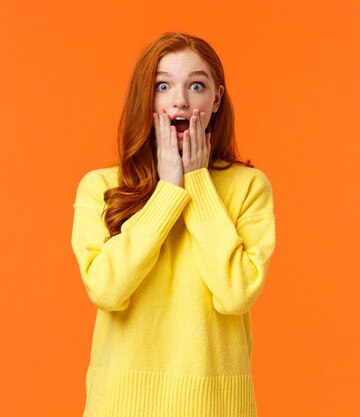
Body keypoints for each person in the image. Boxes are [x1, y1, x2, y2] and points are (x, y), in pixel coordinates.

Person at [71, 31, 276, 417]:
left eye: (196, 85)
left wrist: (198, 183)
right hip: (120, 404)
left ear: (215, 99)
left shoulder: (248, 187)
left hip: (215, 406)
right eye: (162, 85)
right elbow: (107, 291)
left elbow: (235, 295)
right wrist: (168, 191)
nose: (180, 99)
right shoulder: (101, 186)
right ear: (145, 100)